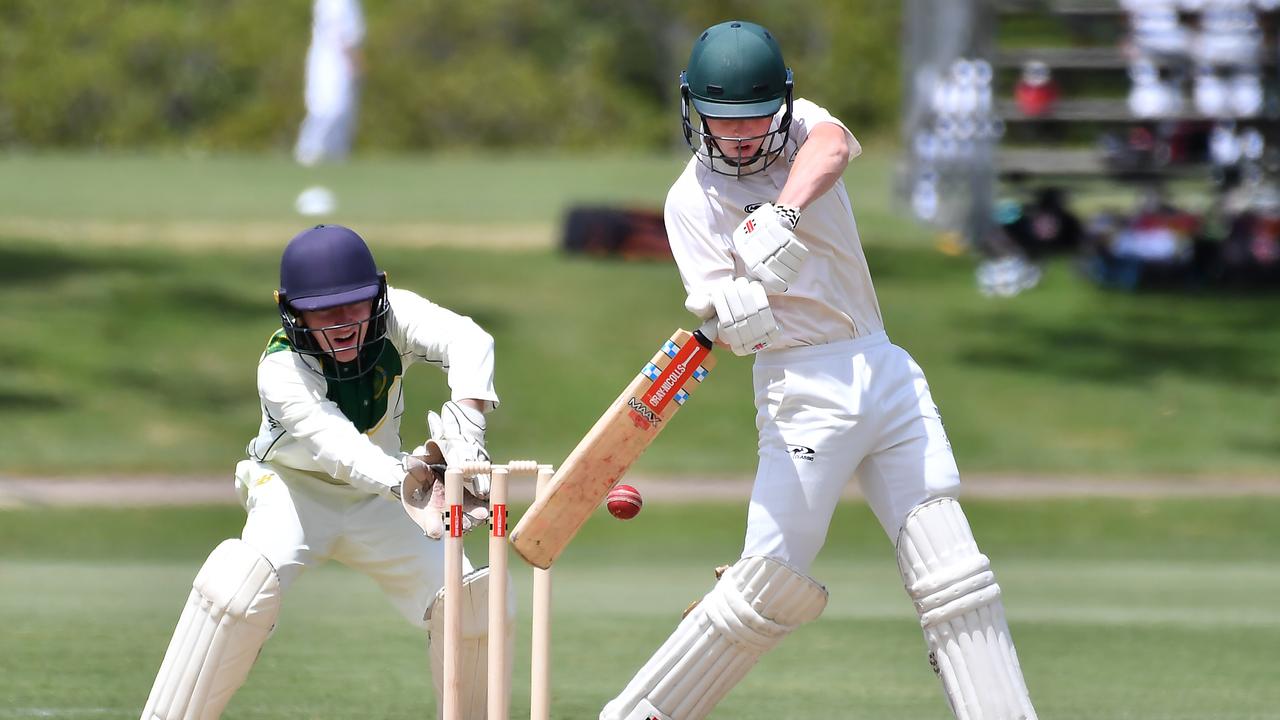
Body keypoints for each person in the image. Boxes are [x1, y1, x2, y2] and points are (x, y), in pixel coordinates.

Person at [600, 21, 1037, 720]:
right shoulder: (691, 200)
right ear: (693, 112)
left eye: (754, 120)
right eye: (724, 122)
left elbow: (833, 148)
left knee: (955, 572)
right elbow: (714, 304)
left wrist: (782, 213)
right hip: (801, 389)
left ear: (781, 106)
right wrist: (734, 307)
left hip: (884, 365)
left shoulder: (805, 128)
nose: (741, 138)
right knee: (765, 585)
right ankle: (638, 715)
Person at [139, 224, 503, 720]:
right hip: (293, 493)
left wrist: (468, 424)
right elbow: (339, 449)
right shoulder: (280, 370)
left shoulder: (396, 313)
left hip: (382, 501)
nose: (343, 324)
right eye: (324, 312)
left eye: (355, 305)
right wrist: (414, 483)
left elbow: (469, 339)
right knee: (237, 588)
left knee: (473, 604)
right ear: (294, 312)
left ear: (377, 295)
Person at [294, 0, 365, 216]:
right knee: (328, 108)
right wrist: (354, 60)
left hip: (336, 61)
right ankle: (309, 152)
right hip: (330, 60)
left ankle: (335, 158)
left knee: (342, 111)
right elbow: (342, 33)